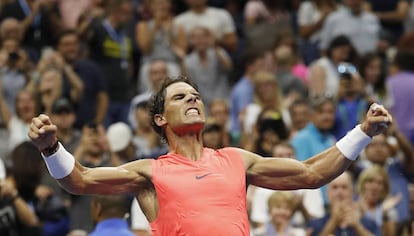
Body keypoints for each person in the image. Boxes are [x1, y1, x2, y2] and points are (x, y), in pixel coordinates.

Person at [28, 76, 392, 235]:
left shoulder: (237, 159)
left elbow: (313, 173)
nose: (192, 99)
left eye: (195, 95)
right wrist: (50, 148)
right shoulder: (149, 172)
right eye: (180, 97)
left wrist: (363, 132)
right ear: (160, 118)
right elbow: (80, 180)